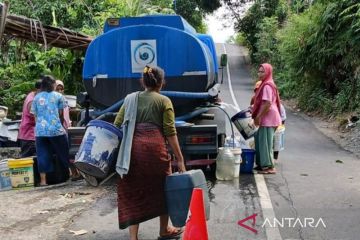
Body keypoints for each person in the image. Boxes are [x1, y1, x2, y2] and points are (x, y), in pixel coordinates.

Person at [114, 65, 186, 240]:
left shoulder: (129, 99)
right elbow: (170, 132)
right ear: (161, 83)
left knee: (132, 191)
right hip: (155, 152)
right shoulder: (164, 101)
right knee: (164, 189)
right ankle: (163, 230)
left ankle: (133, 237)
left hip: (131, 153)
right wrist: (180, 159)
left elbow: (117, 124)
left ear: (143, 81)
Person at [31, 75, 70, 186]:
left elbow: (35, 116)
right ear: (53, 85)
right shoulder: (58, 96)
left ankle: (43, 181)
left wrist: (40, 127)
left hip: (40, 131)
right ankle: (74, 173)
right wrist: (61, 126)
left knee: (42, 154)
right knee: (64, 152)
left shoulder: (37, 98)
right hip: (56, 129)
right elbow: (61, 114)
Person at [251, 63, 282, 174]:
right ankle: (261, 164)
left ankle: (268, 166)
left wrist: (258, 116)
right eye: (259, 71)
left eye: (262, 71)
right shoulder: (264, 84)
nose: (260, 73)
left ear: (268, 72)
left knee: (266, 143)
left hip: (268, 118)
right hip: (267, 117)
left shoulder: (267, 85)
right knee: (260, 140)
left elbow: (267, 103)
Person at [18, 79, 42, 157]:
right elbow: (37, 119)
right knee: (30, 161)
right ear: (37, 89)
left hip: (27, 135)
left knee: (27, 160)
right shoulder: (32, 101)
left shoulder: (33, 94)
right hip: (30, 136)